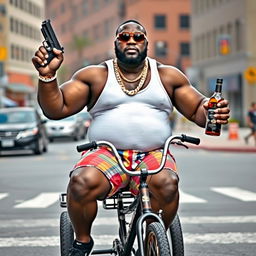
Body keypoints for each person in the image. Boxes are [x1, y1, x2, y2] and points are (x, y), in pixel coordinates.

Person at [32, 20, 230, 256]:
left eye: (138, 37)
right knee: (81, 182)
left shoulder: (168, 76)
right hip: (107, 154)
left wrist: (211, 110)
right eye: (124, 37)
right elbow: (57, 108)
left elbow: (197, 108)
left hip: (153, 153)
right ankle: (83, 242)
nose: (131, 41)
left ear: (147, 43)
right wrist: (48, 76)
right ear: (115, 43)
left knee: (168, 184)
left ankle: (152, 237)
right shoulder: (96, 76)